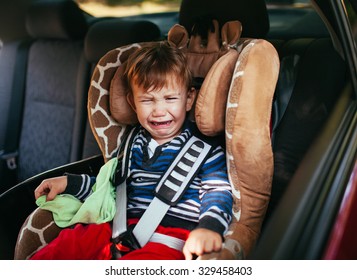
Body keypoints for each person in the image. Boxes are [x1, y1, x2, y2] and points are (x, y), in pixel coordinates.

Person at [31, 41, 233, 260]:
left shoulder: (205, 150)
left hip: (171, 239)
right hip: (117, 231)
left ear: (189, 99)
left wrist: (209, 228)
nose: (159, 111)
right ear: (133, 103)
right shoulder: (132, 143)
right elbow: (111, 189)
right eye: (147, 100)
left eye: (170, 98)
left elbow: (218, 193)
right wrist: (70, 183)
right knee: (67, 245)